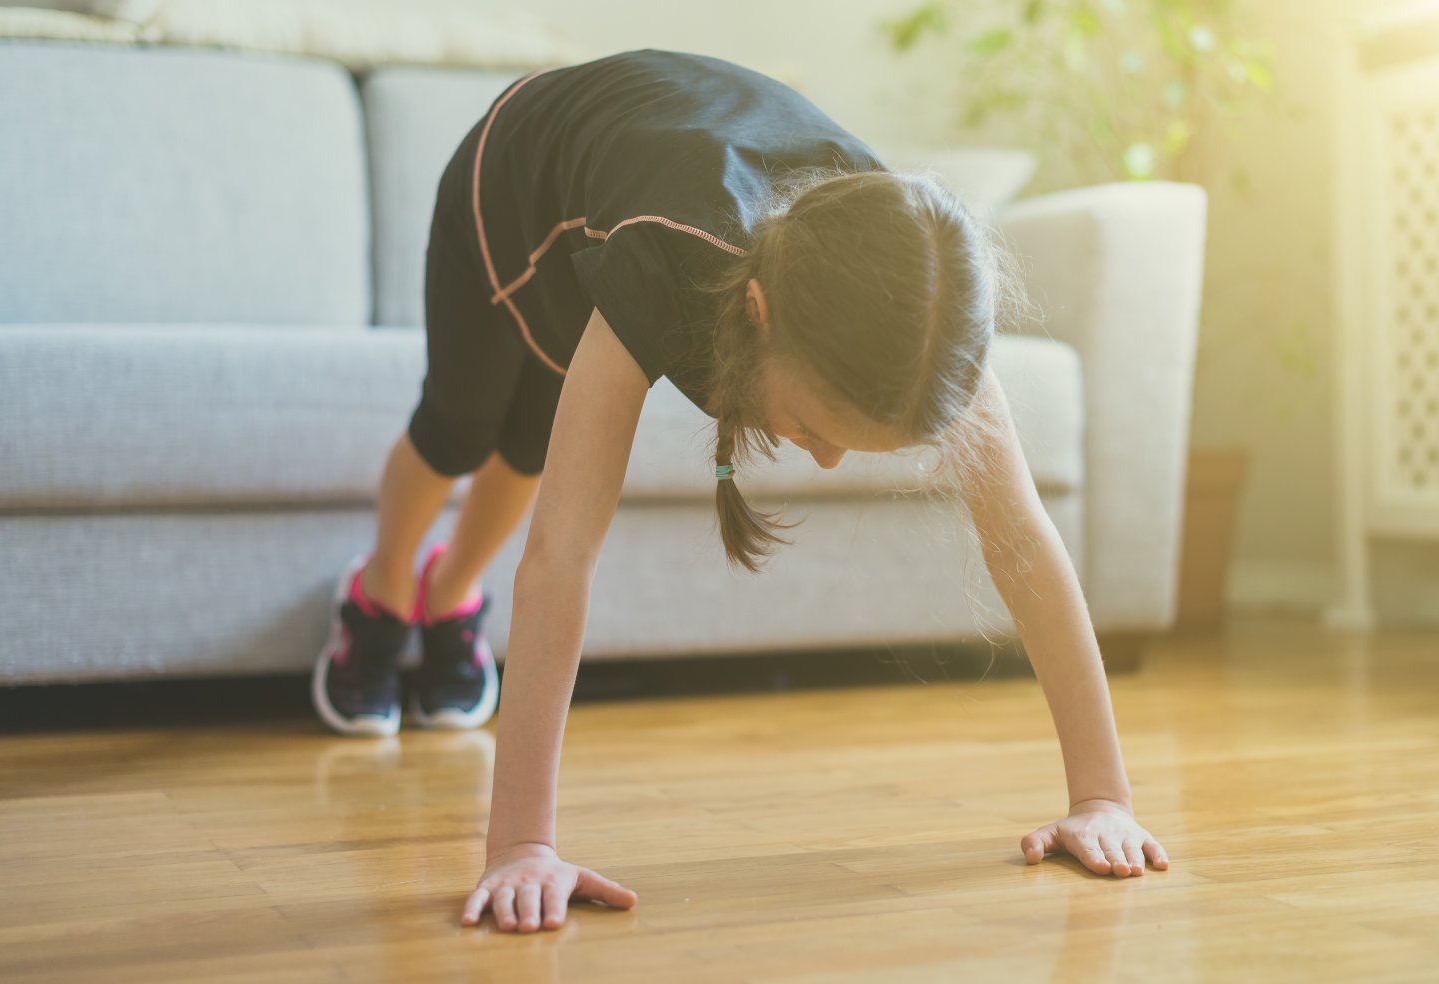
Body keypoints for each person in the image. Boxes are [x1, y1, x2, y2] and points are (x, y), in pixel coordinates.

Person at [308, 47, 1172, 933]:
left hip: (633, 179)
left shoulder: (924, 318)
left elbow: (1023, 542)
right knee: (466, 428)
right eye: (817, 428)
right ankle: (379, 597)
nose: (827, 462)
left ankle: (448, 599)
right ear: (758, 314)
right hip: (517, 184)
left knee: (530, 439)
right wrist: (522, 846)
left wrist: (1103, 795)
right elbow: (563, 553)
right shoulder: (664, 264)